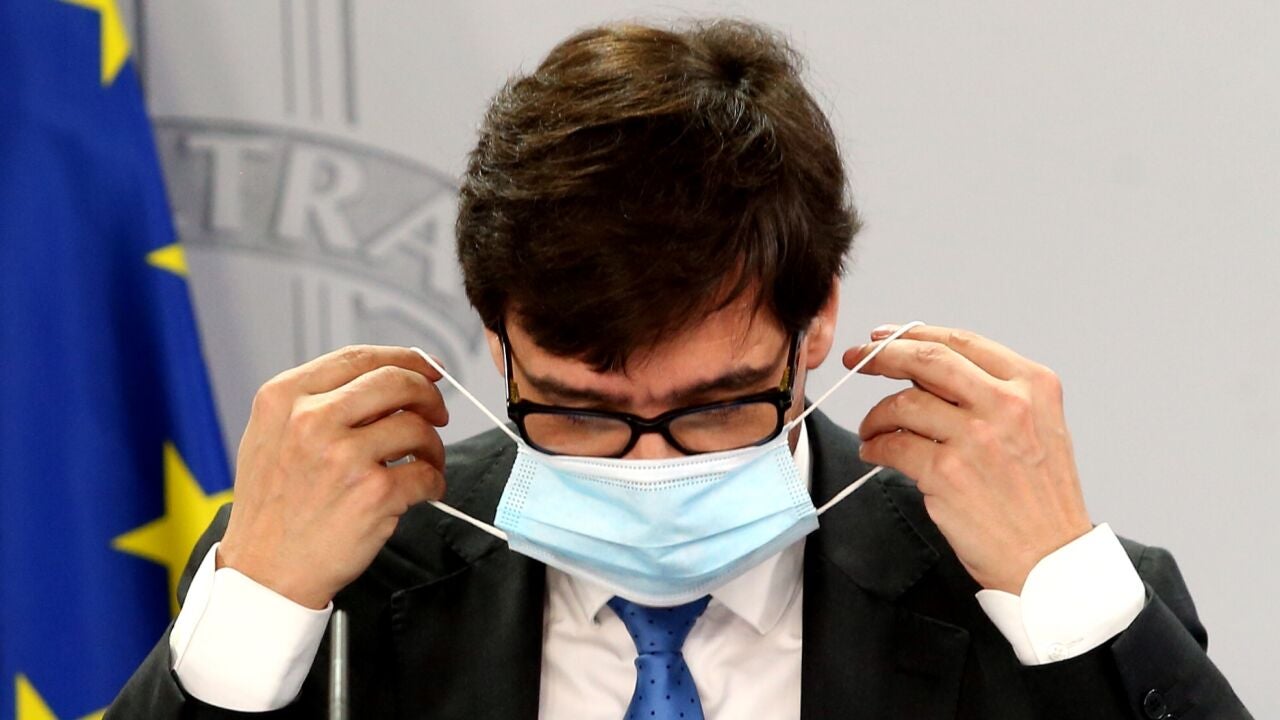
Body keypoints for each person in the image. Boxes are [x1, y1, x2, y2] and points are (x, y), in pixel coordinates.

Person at [107, 18, 1251, 719]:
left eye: (712, 407)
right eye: (580, 411)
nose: (648, 469)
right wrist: (255, 610)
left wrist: (1068, 592)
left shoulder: (1013, 592)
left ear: (816, 323)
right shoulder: (341, 576)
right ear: (495, 339)